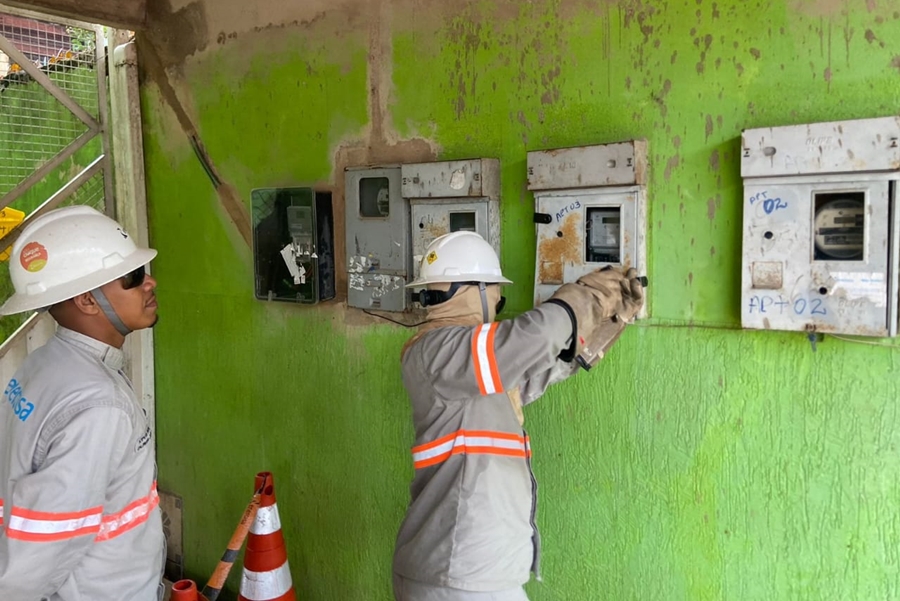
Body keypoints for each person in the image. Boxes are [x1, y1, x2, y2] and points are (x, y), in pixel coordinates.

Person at [392, 231, 644, 600]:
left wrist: (610, 320)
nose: (497, 302)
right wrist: (590, 295)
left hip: (471, 570)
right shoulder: (438, 350)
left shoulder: (465, 365)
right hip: (458, 572)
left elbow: (539, 368)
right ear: (478, 291)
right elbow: (538, 336)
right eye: (496, 292)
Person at [0, 206, 165, 600]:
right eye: (133, 276)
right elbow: (36, 557)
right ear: (88, 300)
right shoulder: (98, 406)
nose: (150, 282)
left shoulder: (43, 364)